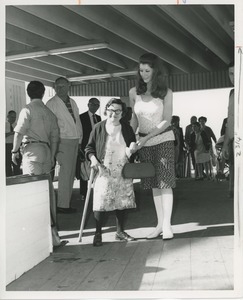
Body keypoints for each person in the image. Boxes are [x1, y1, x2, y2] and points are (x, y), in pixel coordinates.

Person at [11, 81, 64, 247]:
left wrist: (14, 151)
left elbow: (19, 133)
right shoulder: (49, 113)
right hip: (47, 153)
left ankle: (36, 240)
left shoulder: (27, 110)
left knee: (33, 195)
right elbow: (55, 139)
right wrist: (52, 156)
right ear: (42, 94)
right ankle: (54, 237)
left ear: (28, 93)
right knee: (47, 194)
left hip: (32, 151)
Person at [129, 52, 176, 240]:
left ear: (156, 71)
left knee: (165, 182)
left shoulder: (167, 92)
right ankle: (159, 225)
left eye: (147, 70)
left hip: (163, 139)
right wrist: (131, 139)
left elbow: (166, 121)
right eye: (141, 70)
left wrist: (147, 137)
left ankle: (167, 226)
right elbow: (134, 119)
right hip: (143, 143)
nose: (144, 74)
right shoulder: (134, 93)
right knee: (153, 184)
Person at [85, 98, 137, 247]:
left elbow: (132, 146)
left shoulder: (127, 128)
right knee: (101, 202)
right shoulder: (98, 127)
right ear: (106, 110)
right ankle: (98, 233)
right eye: (111, 110)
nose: (114, 113)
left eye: (118, 111)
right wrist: (93, 159)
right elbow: (89, 148)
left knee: (121, 201)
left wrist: (132, 148)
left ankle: (120, 232)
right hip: (104, 168)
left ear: (122, 113)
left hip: (122, 168)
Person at [46, 77, 83, 213]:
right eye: (57, 86)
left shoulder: (72, 102)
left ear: (69, 86)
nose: (60, 88)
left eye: (63, 86)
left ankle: (65, 203)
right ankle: (63, 205)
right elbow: (50, 126)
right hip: (62, 140)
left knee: (70, 173)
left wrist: (79, 140)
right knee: (65, 173)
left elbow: (76, 121)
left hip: (74, 140)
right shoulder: (51, 103)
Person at [76, 97, 101, 199]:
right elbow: (79, 132)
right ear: (88, 105)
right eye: (93, 104)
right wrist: (79, 146)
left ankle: (96, 192)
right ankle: (83, 193)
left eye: (97, 105)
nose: (95, 107)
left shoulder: (99, 118)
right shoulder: (81, 117)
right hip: (85, 147)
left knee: (96, 169)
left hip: (97, 147)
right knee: (84, 171)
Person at [222, 61, 234, 198]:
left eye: (236, 73)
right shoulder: (232, 93)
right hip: (234, 142)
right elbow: (229, 121)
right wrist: (225, 145)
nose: (233, 77)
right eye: (231, 74)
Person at [5, 110, 22, 176]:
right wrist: (11, 133)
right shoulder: (4, 125)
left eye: (14, 117)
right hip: (7, 146)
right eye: (12, 117)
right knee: (7, 164)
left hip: (15, 146)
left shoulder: (17, 125)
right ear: (8, 116)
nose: (13, 119)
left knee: (17, 164)